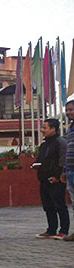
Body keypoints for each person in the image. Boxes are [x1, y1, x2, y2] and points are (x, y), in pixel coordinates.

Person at [34, 118, 69, 239]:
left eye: (45, 128)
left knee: (59, 205)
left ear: (53, 129)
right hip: (44, 180)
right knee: (48, 206)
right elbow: (41, 160)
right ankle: (51, 230)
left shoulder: (61, 143)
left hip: (56, 180)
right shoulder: (44, 144)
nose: (42, 130)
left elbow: (62, 161)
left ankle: (63, 230)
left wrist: (57, 176)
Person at [60, 100, 74, 241]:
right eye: (67, 110)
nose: (69, 112)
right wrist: (64, 170)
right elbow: (69, 150)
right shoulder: (69, 129)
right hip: (70, 171)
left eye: (71, 109)